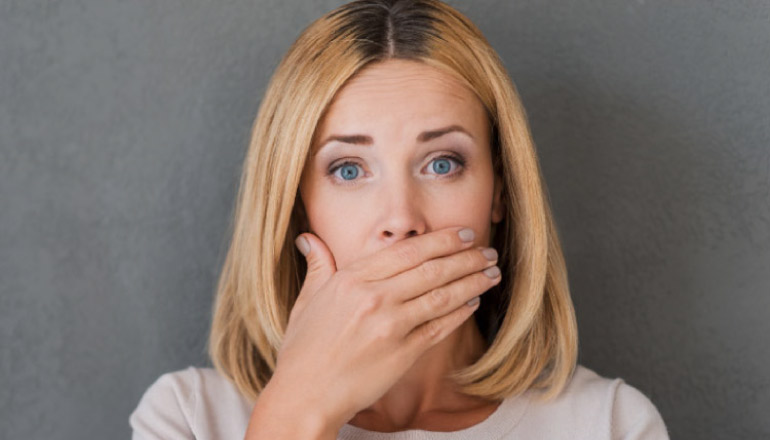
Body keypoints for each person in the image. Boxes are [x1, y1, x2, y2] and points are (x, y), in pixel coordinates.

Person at [129, 0, 670, 439]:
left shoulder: (609, 424)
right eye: (347, 169)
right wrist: (297, 410)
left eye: (441, 164)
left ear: (499, 195)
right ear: (296, 207)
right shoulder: (189, 418)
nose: (401, 220)